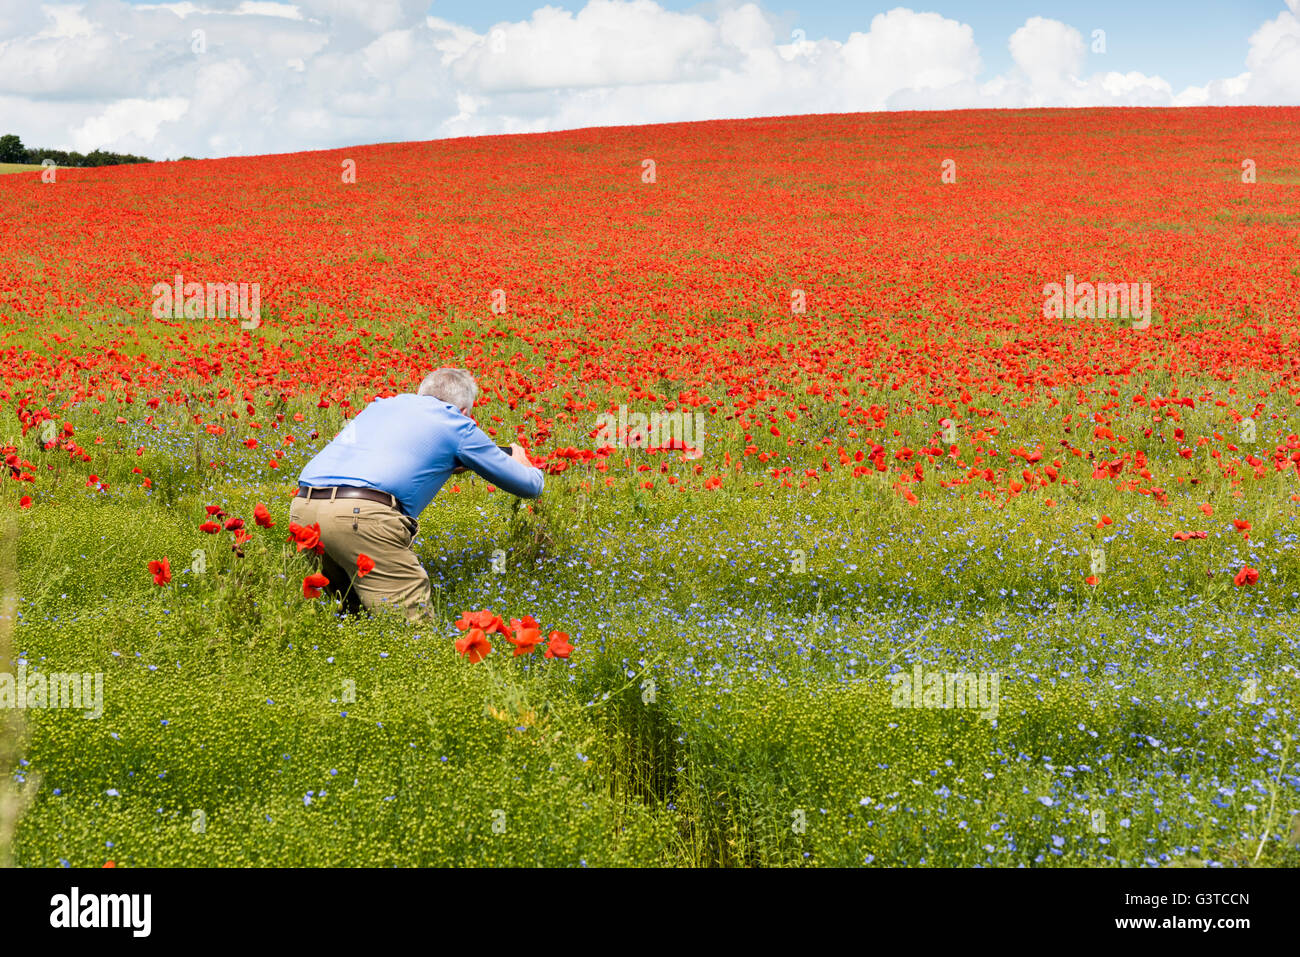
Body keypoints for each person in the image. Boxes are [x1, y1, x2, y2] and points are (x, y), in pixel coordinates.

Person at [290, 367, 543, 620]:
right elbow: (528, 486)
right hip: (361, 517)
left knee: (354, 618)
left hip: (304, 510)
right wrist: (522, 461)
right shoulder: (456, 422)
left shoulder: (380, 407)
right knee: (411, 632)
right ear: (464, 411)